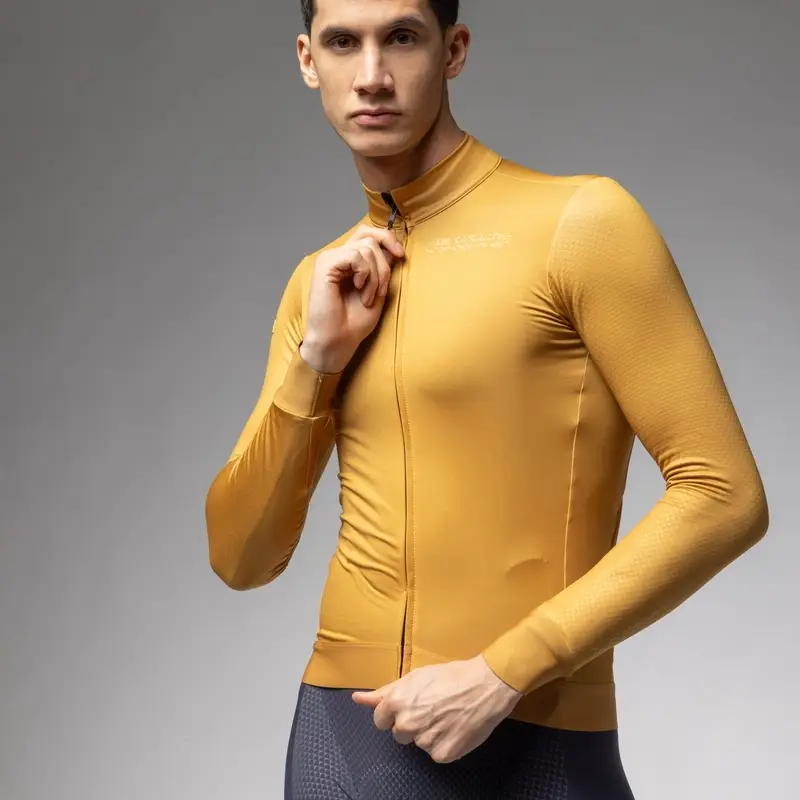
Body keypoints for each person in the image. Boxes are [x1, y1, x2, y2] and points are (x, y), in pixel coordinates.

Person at [204, 0, 770, 797]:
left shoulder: (580, 224)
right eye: (342, 43)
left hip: (532, 736)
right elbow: (240, 558)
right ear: (307, 61)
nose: (372, 75)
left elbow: (725, 495)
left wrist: (506, 669)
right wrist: (316, 363)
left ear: (454, 49)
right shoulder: (321, 283)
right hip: (341, 739)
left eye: (402, 37)